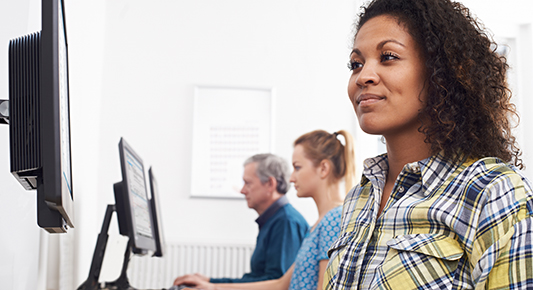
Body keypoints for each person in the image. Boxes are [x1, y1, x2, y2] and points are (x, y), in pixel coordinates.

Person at [323, 0, 533, 289]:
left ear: (440, 72)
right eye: (356, 64)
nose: (364, 76)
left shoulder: (493, 192)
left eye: (388, 57)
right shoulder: (359, 198)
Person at [174, 129, 356, 290]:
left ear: (323, 168)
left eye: (297, 168)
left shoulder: (334, 219)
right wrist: (212, 287)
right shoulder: (319, 224)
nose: (291, 178)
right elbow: (279, 284)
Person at [175, 153, 309, 284]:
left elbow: (274, 283)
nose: (242, 190)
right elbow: (257, 279)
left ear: (270, 184)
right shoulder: (275, 219)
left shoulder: (286, 222)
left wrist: (212, 287)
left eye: (248, 183)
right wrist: (210, 281)